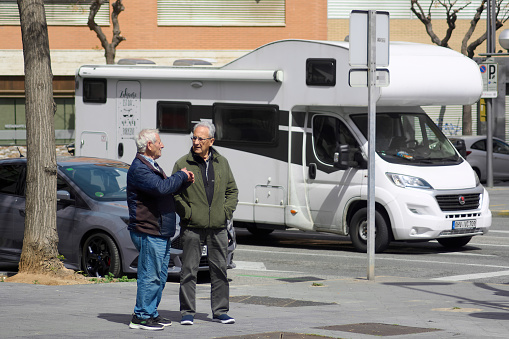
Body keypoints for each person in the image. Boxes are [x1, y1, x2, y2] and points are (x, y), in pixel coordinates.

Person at [127, 128, 194, 331]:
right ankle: (141, 316)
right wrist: (180, 175)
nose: (162, 145)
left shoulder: (150, 166)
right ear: (149, 145)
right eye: (159, 142)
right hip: (149, 230)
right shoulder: (139, 168)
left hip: (159, 231)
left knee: (160, 275)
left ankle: (151, 313)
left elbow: (164, 190)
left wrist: (183, 182)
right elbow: (161, 188)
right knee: (150, 275)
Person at [172, 121, 238, 325]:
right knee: (189, 271)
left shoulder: (222, 163)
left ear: (211, 141)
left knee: (219, 270)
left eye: (201, 138)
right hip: (192, 227)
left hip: (218, 227)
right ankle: (187, 312)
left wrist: (225, 212)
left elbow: (232, 191)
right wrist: (188, 213)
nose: (196, 142)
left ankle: (220, 311)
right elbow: (175, 193)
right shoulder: (182, 163)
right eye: (194, 138)